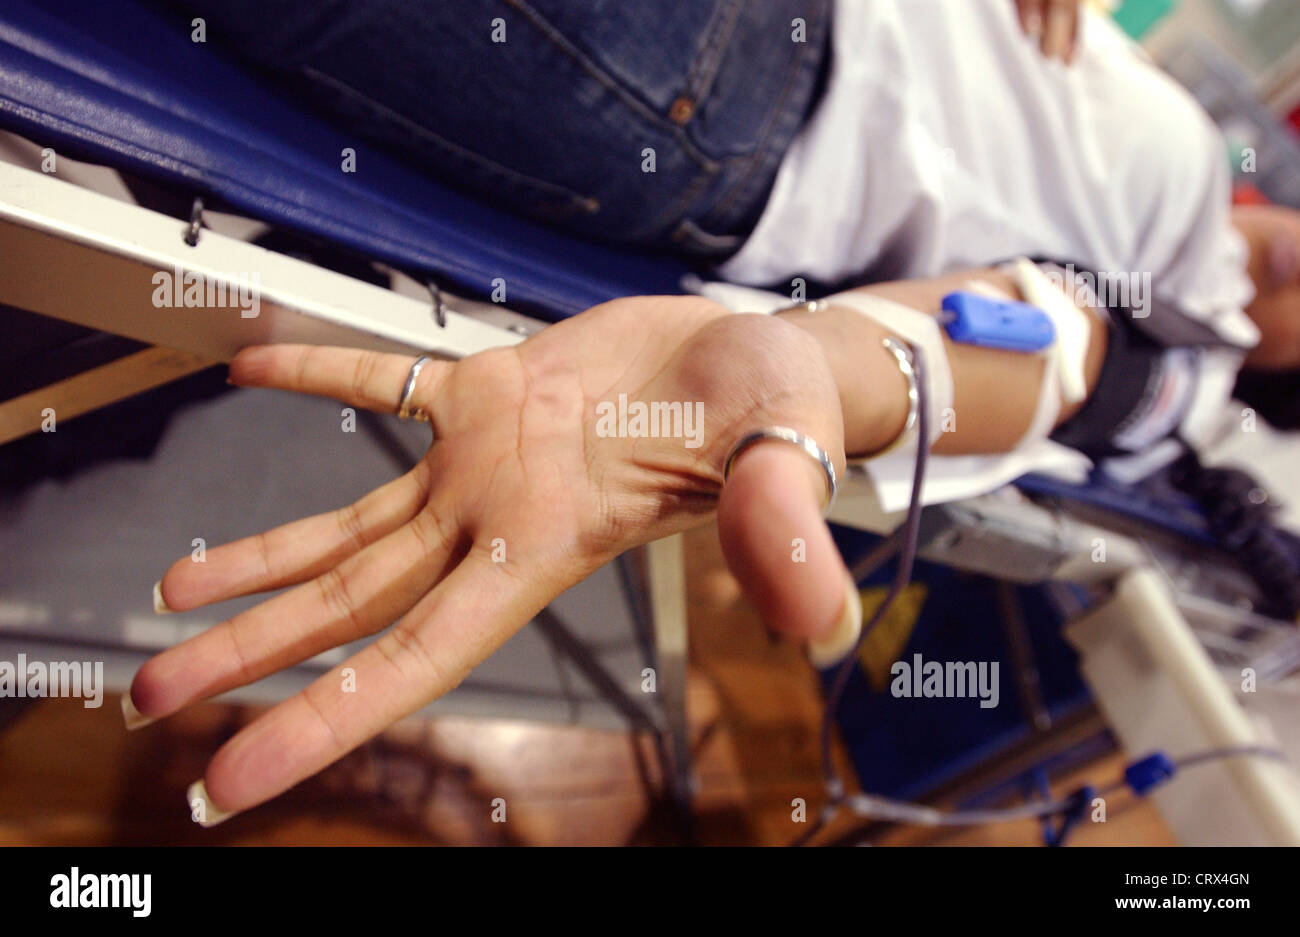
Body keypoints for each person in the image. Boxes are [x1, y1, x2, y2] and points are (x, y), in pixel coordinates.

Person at [124, 0, 1300, 824]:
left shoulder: (1175, 371)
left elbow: (1046, 346)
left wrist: (823, 363)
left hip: (736, 95)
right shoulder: (1198, 169)